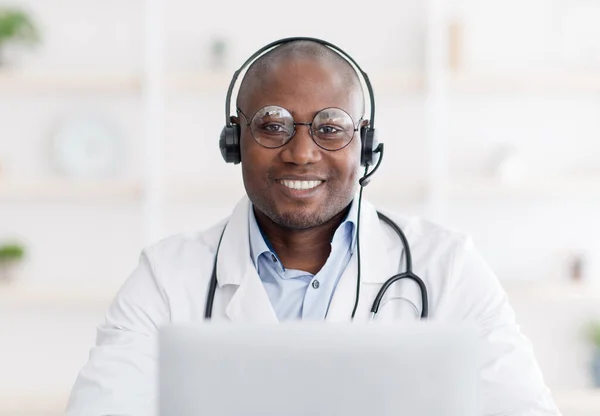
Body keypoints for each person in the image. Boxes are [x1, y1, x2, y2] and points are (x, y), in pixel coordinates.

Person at [66, 38, 561, 415]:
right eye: (273, 124)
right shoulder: (168, 275)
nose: (301, 153)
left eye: (330, 127)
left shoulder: (446, 266)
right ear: (234, 139)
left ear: (364, 147)